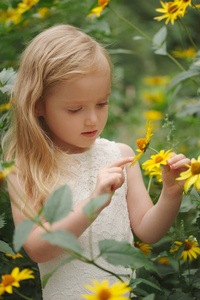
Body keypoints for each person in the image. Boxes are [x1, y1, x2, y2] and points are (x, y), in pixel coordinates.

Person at [2, 24, 190, 299]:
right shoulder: (26, 168)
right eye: (75, 109)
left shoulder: (119, 156)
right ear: (37, 105)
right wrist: (93, 203)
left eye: (102, 103)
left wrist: (171, 194)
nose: (92, 119)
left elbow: (148, 232)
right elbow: (37, 248)